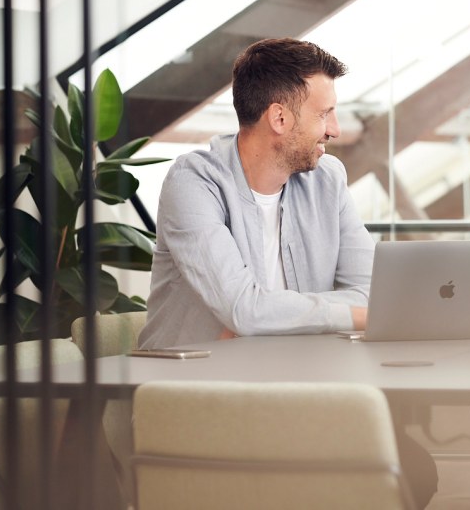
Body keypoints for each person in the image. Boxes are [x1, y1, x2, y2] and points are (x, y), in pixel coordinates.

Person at [138, 37, 437, 507]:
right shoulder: (193, 182)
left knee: (412, 469)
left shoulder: (327, 179)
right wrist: (359, 315)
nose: (334, 129)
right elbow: (246, 309)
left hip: (294, 389)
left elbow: (371, 288)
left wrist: (295, 314)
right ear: (279, 118)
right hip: (196, 401)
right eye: (324, 114)